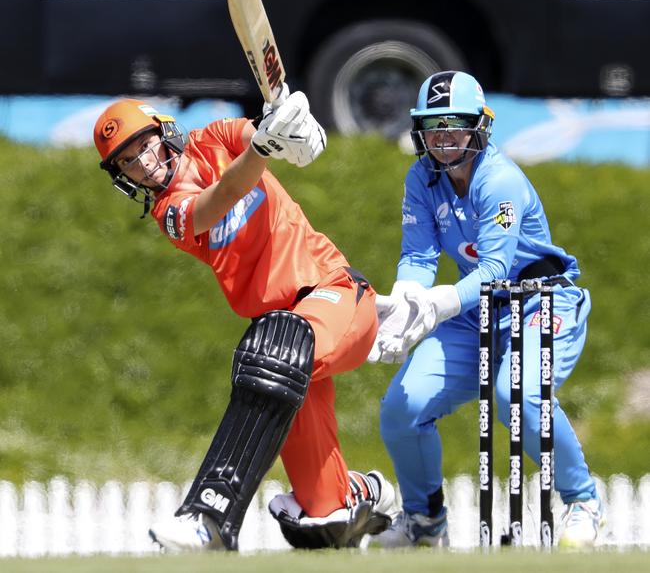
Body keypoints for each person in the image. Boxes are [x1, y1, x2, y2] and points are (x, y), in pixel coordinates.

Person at [92, 86, 397, 552]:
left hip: (335, 295)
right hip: (289, 349)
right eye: (128, 161)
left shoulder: (217, 137)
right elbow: (223, 196)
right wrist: (263, 147)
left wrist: (300, 134)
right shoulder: (168, 213)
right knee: (324, 521)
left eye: (144, 145)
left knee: (268, 347)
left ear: (164, 133)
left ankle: (209, 517)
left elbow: (268, 140)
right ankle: (360, 492)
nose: (143, 162)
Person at [367, 71, 603, 549]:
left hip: (541, 297)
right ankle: (425, 522)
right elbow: (418, 256)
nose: (444, 135)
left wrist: (438, 303)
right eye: (433, 124)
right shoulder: (421, 177)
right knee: (402, 407)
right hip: (477, 310)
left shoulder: (500, 180)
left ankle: (582, 500)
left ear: (480, 126)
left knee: (517, 397)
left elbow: (495, 268)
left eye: (455, 123)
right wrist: (408, 303)